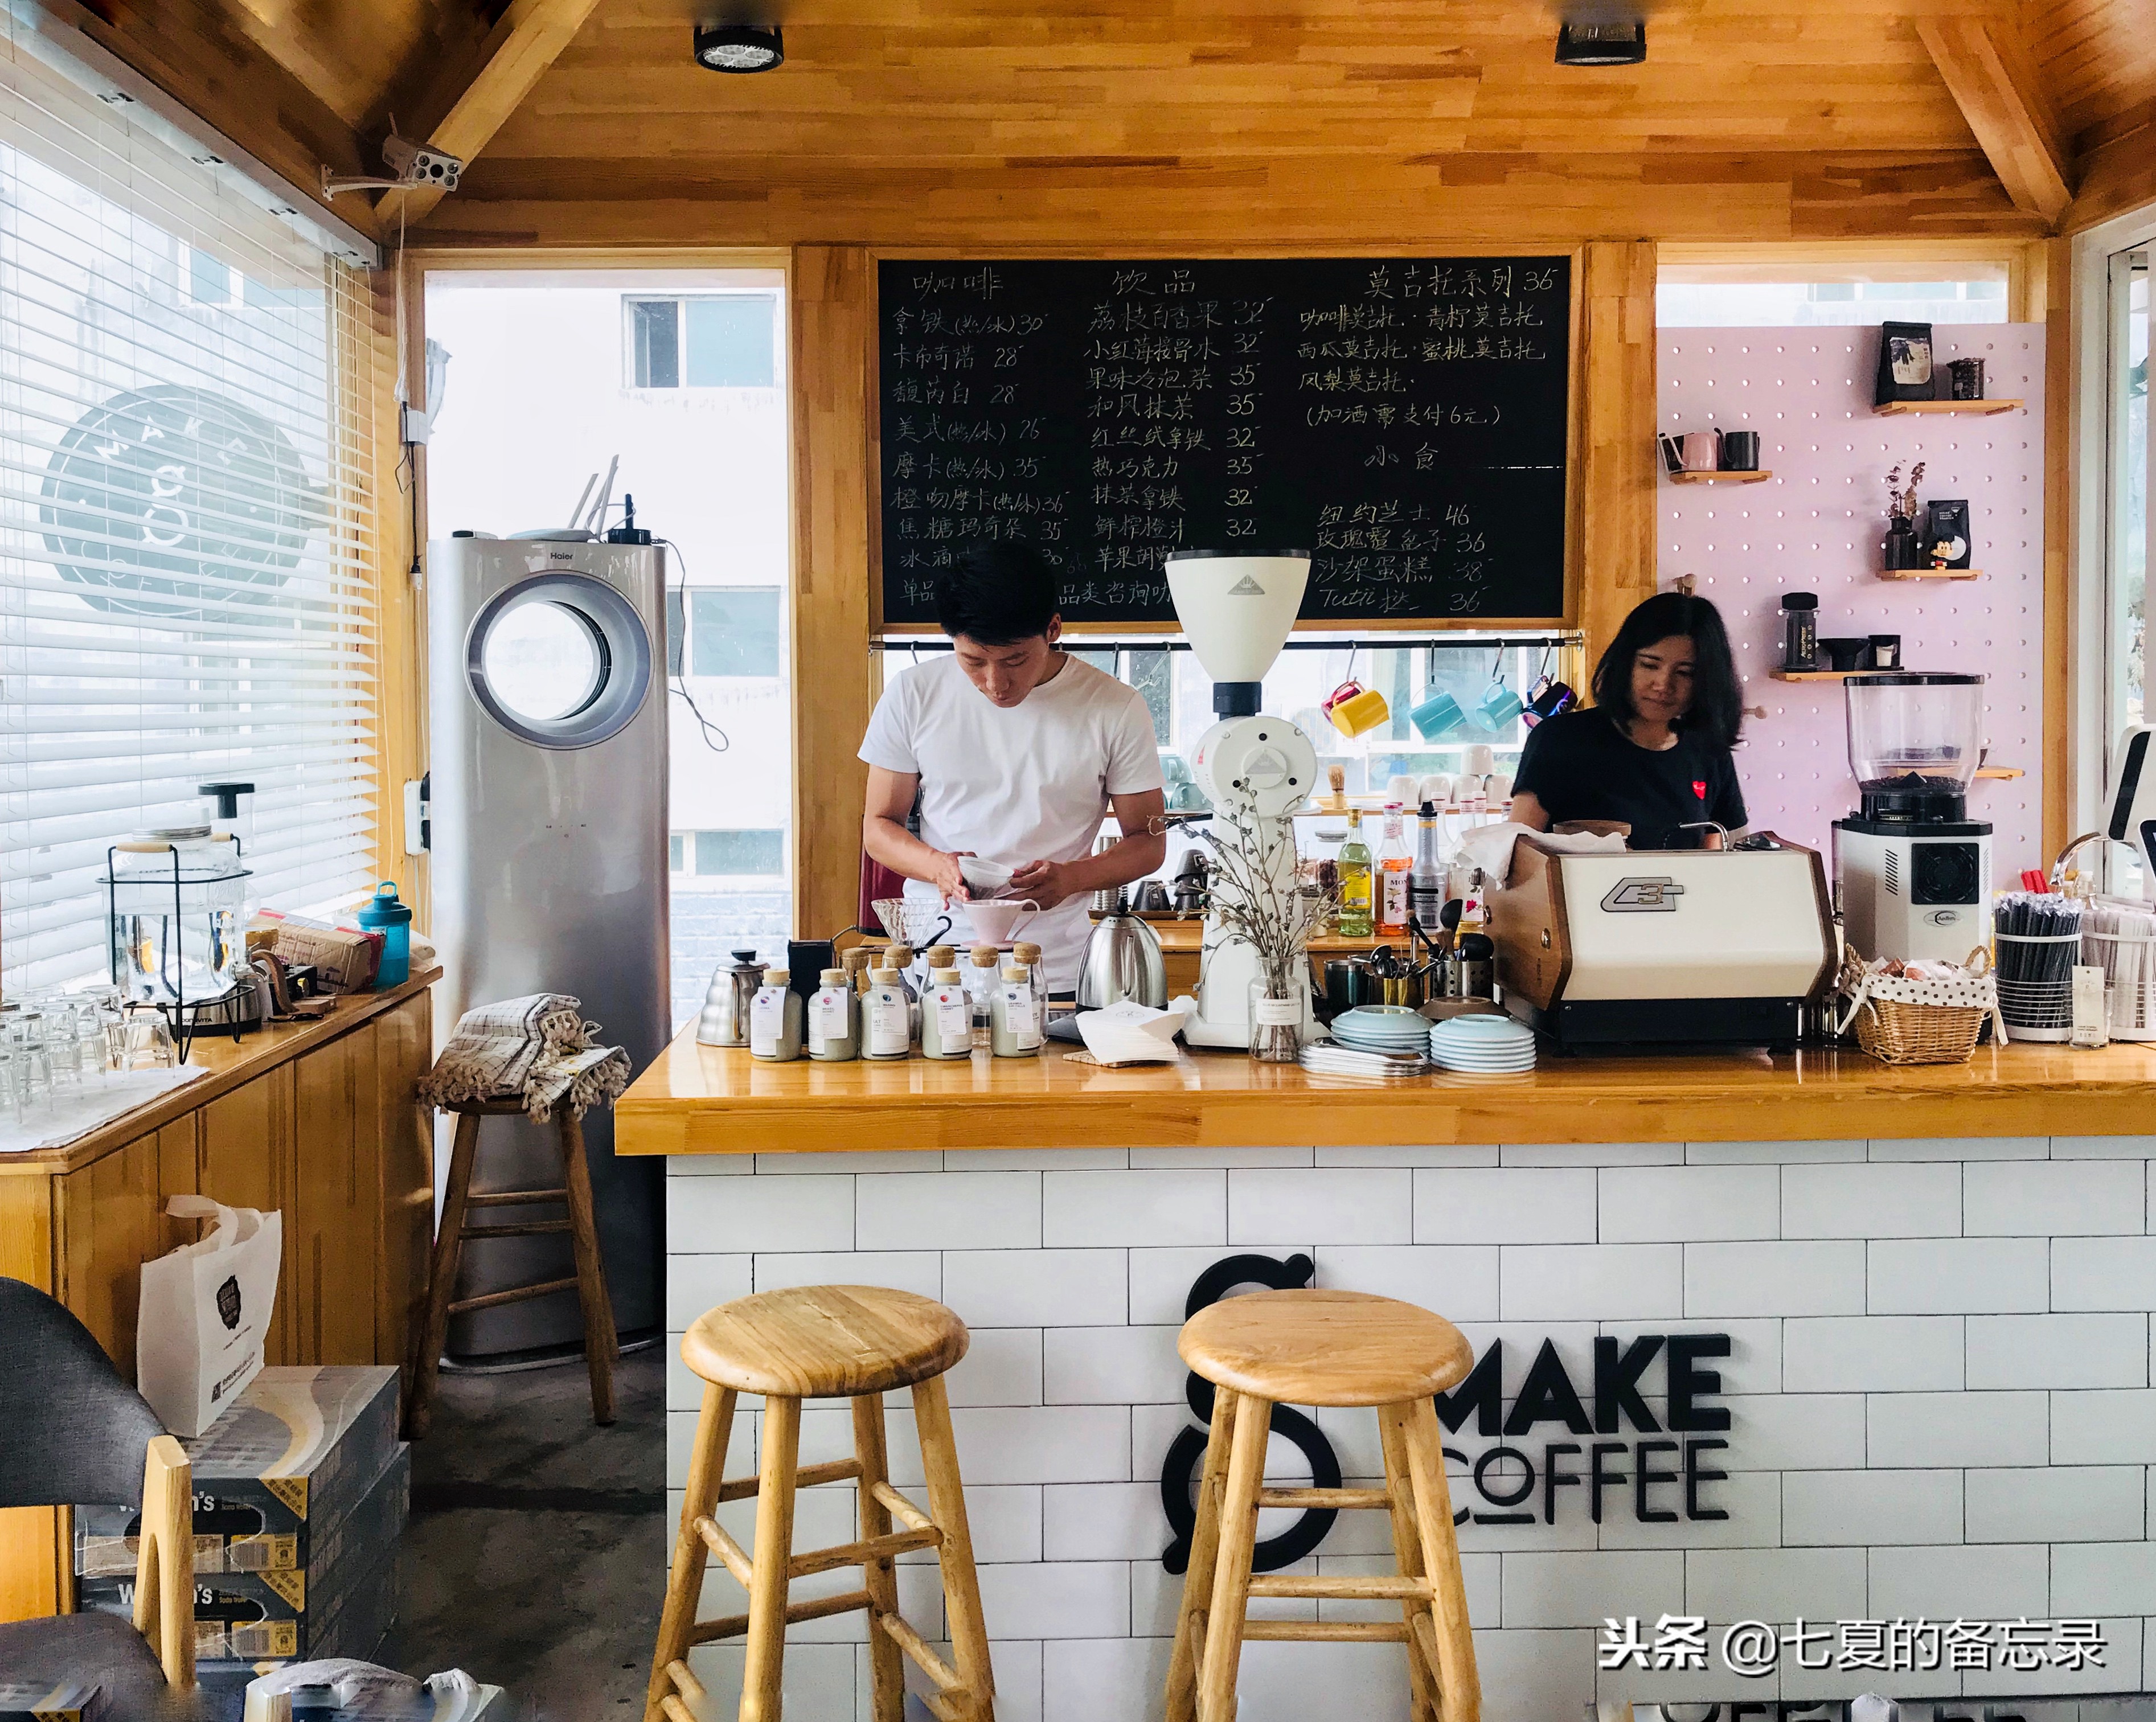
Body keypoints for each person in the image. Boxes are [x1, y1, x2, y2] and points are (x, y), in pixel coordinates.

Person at [859, 546, 1168, 991]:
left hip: (1056, 967)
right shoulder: (914, 693)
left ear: (1053, 629)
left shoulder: (1114, 706)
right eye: (973, 662)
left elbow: (1149, 840)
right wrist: (937, 866)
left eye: (1015, 661)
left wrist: (1070, 879)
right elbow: (879, 826)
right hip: (937, 962)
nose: (995, 684)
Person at [1509, 591, 1747, 850]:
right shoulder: (1558, 739)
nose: (1663, 685)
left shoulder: (1710, 751)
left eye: (1685, 673)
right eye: (1649, 665)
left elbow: (1717, 856)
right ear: (1626, 663)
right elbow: (1517, 852)